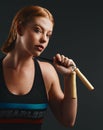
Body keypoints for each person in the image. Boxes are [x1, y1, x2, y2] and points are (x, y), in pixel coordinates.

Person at [0, 5, 77, 130]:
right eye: (37, 30)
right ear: (19, 29)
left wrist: (69, 77)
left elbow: (68, 120)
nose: (43, 39)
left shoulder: (47, 73)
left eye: (48, 35)